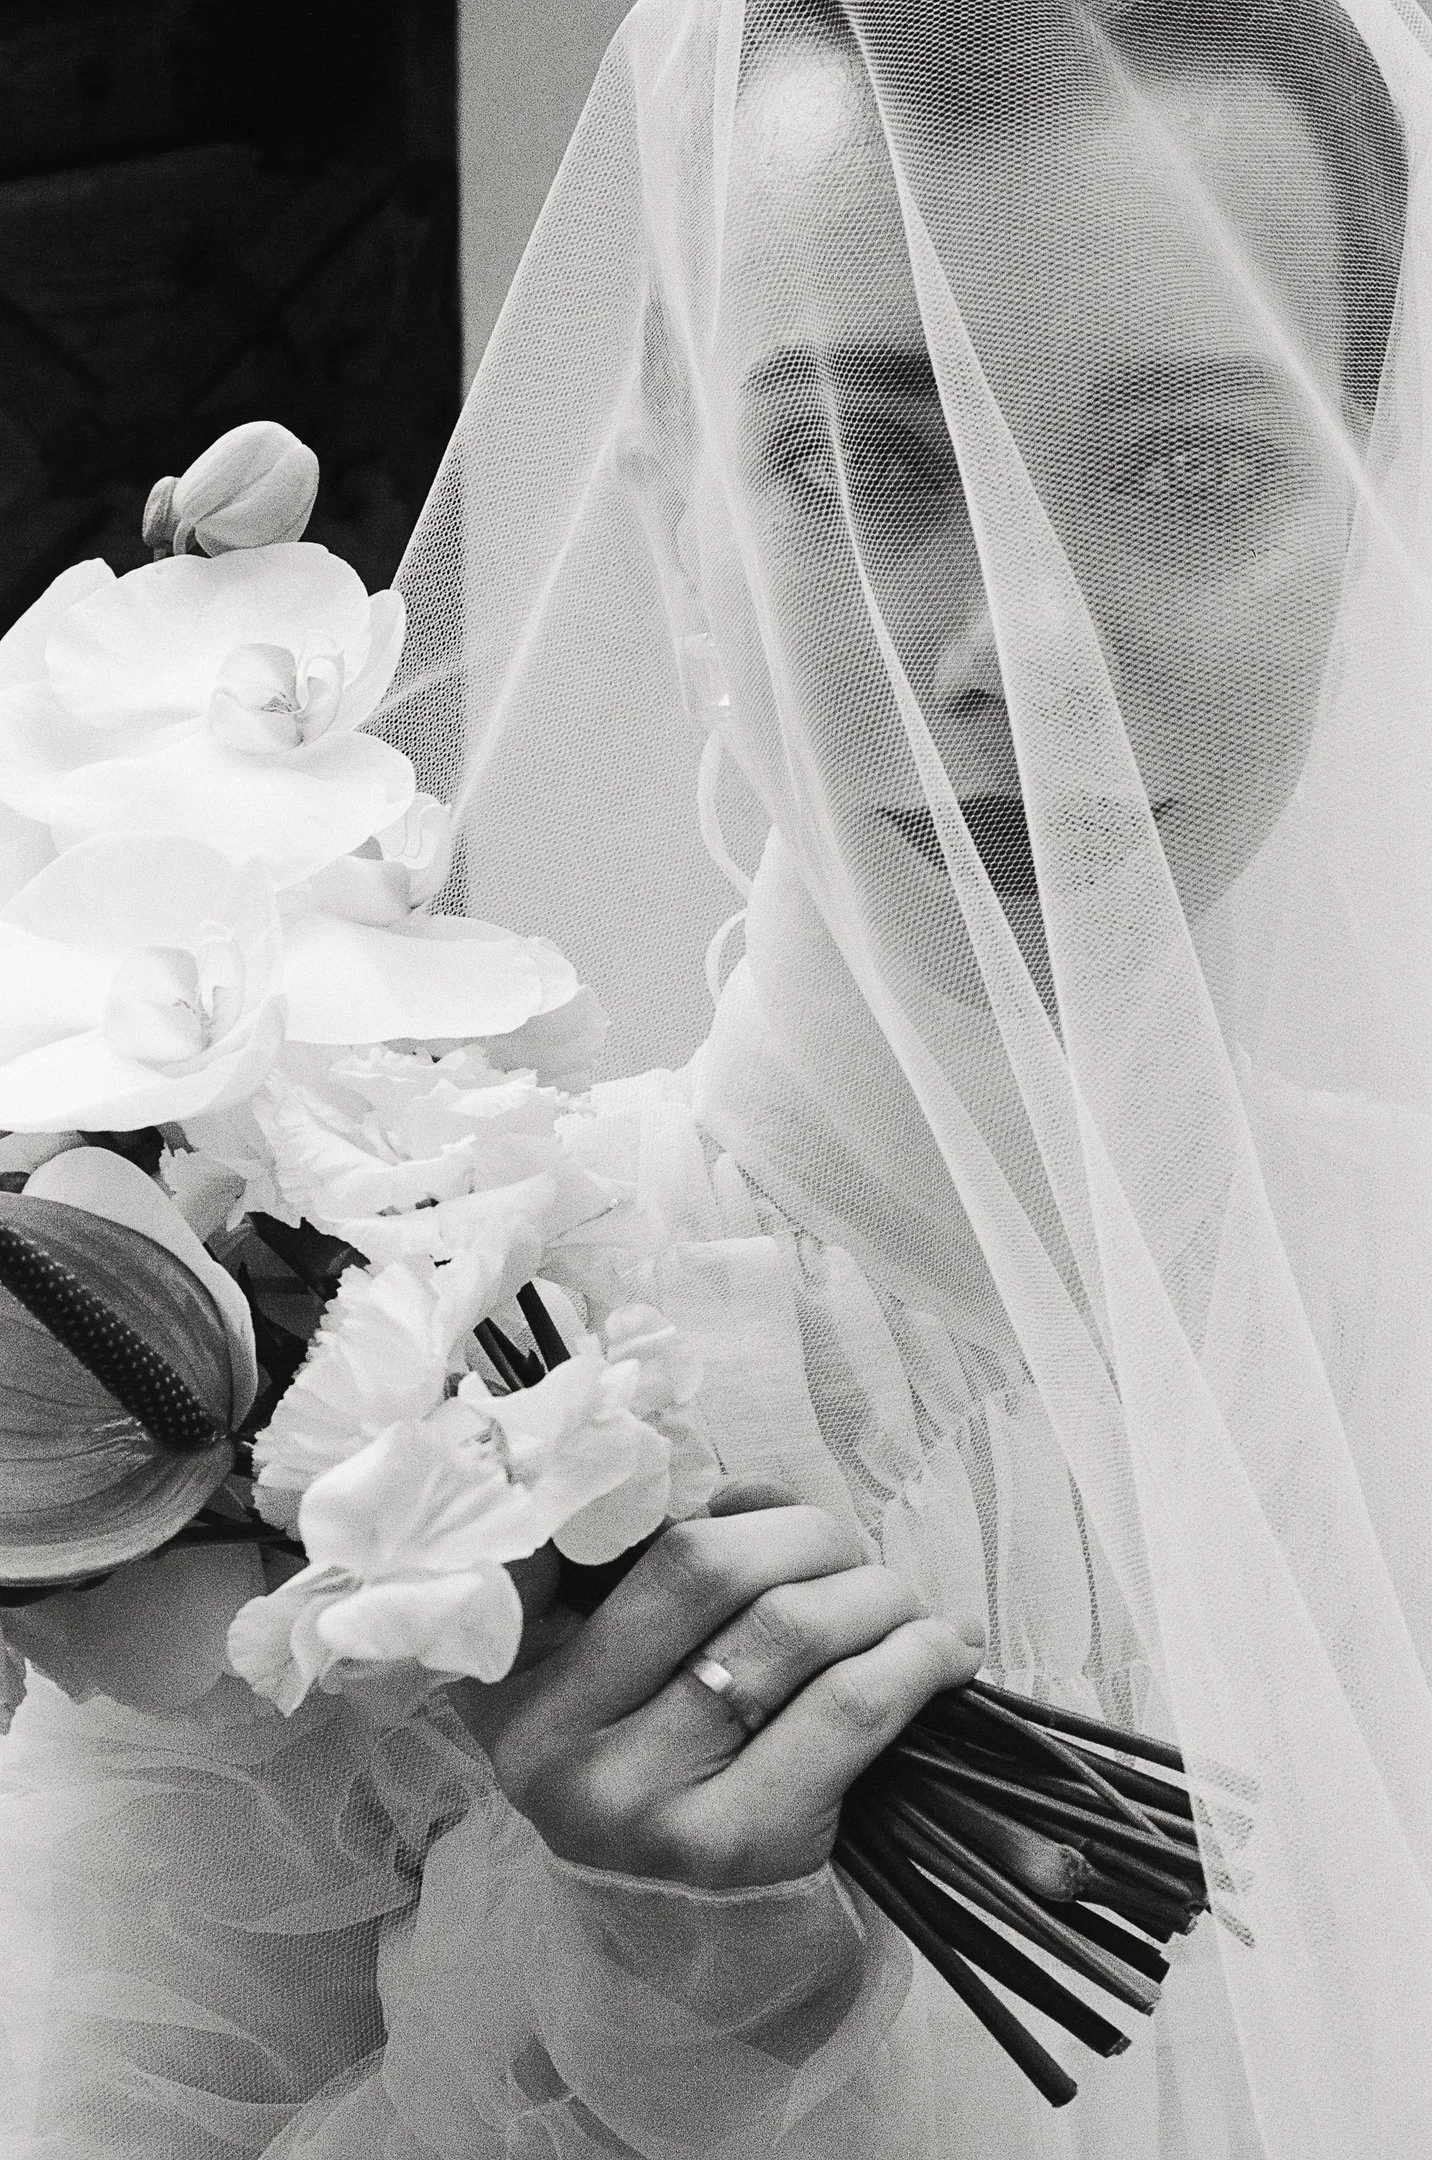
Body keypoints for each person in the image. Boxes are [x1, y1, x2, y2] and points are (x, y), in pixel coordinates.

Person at [2, 1, 1429, 2154]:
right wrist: (647, 2018)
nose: (1015, 662)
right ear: (675, 529)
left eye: (1183, 468)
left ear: (1361, 505)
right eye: (862, 465)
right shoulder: (364, 1369)